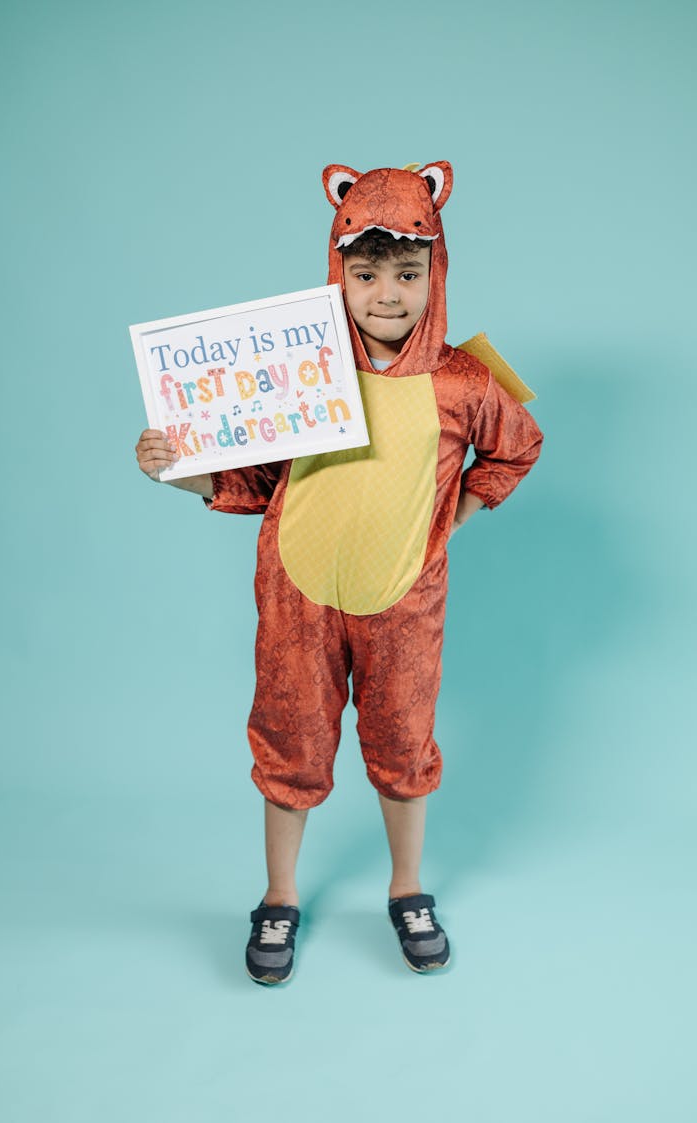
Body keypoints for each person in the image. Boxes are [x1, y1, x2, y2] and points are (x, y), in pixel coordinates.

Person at [135, 162, 543, 985]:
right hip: (298, 595)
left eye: (406, 272)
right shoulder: (298, 368)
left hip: (404, 604)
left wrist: (449, 522)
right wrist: (178, 470)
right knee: (290, 737)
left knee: (401, 741)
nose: (386, 294)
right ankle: (279, 893)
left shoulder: (463, 381)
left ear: (437, 270)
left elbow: (517, 447)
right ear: (337, 272)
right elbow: (252, 484)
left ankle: (408, 887)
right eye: (364, 274)